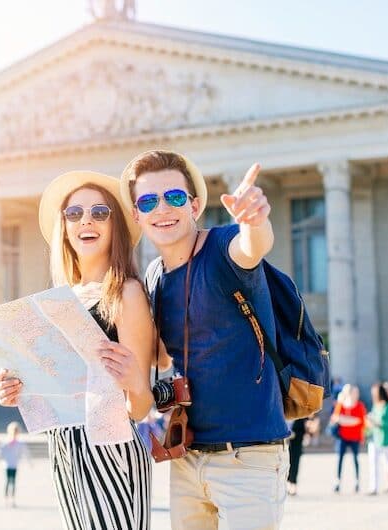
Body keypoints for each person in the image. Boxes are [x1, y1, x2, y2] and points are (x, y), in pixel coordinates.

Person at [119, 150, 289, 530]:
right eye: (148, 201)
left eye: (175, 197)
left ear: (194, 205)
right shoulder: (153, 275)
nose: (162, 208)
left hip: (249, 456)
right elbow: (160, 359)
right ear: (136, 215)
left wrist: (254, 220)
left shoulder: (224, 246)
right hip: (186, 457)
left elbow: (252, 246)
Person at [0, 170, 156, 530]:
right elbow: (53, 387)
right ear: (63, 227)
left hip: (110, 448)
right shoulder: (54, 303)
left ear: (116, 226)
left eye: (100, 212)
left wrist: (136, 383)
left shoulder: (126, 293)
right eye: (73, 213)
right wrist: (16, 387)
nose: (86, 220)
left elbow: (140, 407)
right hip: (64, 449)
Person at [330, 384, 366, 493]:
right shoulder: (341, 405)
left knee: (355, 459)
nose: (355, 394)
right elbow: (335, 418)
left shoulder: (360, 405)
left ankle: (357, 481)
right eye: (353, 392)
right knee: (340, 459)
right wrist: (350, 420)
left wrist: (344, 420)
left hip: (355, 437)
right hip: (342, 437)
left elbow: (360, 420)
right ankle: (338, 481)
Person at [367, 383, 388, 494]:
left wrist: (375, 422)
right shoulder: (376, 406)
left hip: (387, 440)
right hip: (374, 439)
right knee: (373, 464)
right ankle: (374, 487)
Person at [0, 421, 31, 507]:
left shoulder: (20, 443)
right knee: (7, 481)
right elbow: (0, 452)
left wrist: (29, 462)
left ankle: (12, 499)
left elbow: (25, 453)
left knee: (13, 482)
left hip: (14, 465)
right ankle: (6, 499)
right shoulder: (5, 442)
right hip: (7, 465)